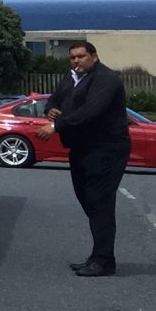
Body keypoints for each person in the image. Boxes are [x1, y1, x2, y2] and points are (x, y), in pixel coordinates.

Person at [40, 40, 131, 276]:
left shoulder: (106, 79)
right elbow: (54, 99)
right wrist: (50, 109)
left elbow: (92, 111)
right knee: (88, 201)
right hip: (81, 148)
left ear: (94, 56)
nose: (77, 61)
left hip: (106, 149)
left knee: (100, 202)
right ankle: (99, 256)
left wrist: (56, 126)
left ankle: (102, 261)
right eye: (73, 57)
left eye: (81, 56)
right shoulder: (71, 78)